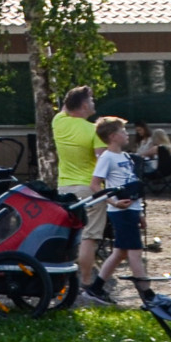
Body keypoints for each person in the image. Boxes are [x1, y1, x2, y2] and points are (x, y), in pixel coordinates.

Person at [84, 118, 153, 307]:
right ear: (113, 136)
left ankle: (96, 288)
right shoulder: (107, 157)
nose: (127, 134)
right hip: (121, 212)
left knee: (120, 253)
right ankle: (148, 296)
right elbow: (95, 185)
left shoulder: (125, 157)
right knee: (135, 253)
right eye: (123, 131)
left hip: (132, 210)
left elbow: (131, 185)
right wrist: (113, 202)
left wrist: (140, 213)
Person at [51, 84, 105, 256]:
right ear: (84, 105)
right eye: (91, 99)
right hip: (89, 187)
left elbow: (65, 108)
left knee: (71, 235)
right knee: (88, 237)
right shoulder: (95, 130)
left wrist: (74, 96)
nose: (93, 102)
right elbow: (103, 161)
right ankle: (86, 273)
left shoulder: (58, 122)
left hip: (65, 188)